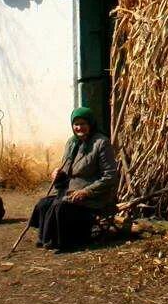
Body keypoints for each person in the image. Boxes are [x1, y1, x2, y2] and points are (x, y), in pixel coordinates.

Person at [28, 106, 118, 252]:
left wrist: (87, 192)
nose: (79, 127)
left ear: (90, 124)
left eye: (83, 124)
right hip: (69, 192)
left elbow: (110, 176)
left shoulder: (101, 143)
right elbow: (66, 171)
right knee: (43, 204)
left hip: (94, 196)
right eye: (76, 124)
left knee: (61, 207)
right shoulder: (72, 143)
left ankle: (66, 243)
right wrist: (58, 174)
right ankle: (48, 239)